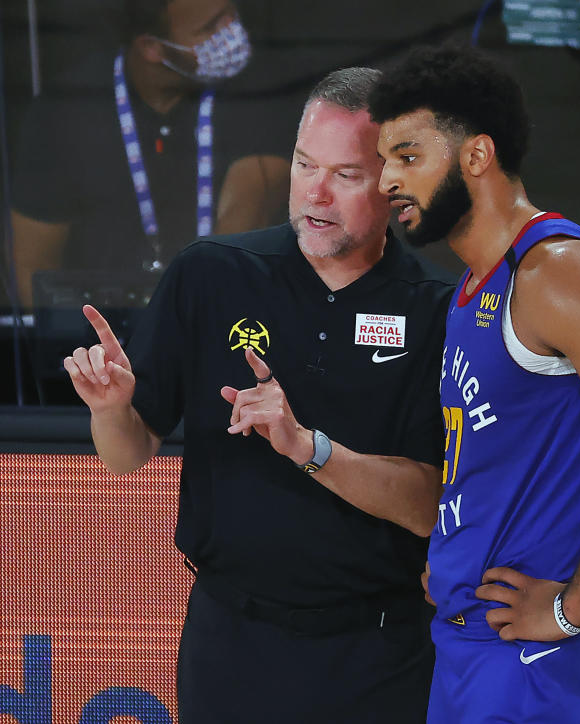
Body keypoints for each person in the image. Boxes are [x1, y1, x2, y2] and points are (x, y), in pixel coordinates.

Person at [63, 66, 454, 723]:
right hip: (231, 643)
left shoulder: (438, 310)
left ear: (394, 184)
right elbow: (127, 454)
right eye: (304, 165)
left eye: (345, 175)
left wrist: (308, 447)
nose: (316, 195)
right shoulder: (212, 274)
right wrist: (112, 411)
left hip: (379, 652)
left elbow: (428, 504)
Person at [369, 45, 580, 723]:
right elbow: (493, 462)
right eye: (382, 161)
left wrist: (571, 608)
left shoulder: (557, 270)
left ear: (477, 155)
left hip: (533, 657)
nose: (385, 182)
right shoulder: (470, 290)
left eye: (407, 156)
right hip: (474, 644)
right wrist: (454, 558)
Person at [11, 0, 294, 306]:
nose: (234, 32)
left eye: (232, 14)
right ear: (152, 47)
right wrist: (67, 349)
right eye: (211, 27)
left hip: (218, 315)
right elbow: (32, 264)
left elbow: (242, 225)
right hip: (102, 333)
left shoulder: (262, 89)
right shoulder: (67, 111)